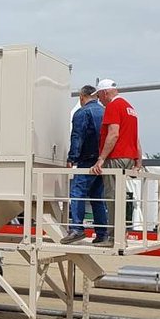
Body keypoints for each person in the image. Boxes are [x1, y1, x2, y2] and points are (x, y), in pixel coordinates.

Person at [89, 79, 143, 245]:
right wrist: (138, 162)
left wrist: (101, 159)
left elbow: (113, 134)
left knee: (112, 197)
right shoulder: (130, 108)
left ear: (105, 92)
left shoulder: (113, 106)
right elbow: (136, 139)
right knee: (120, 197)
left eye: (99, 96)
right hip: (128, 158)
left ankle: (114, 237)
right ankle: (121, 234)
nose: (99, 100)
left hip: (116, 157)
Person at [61, 85, 107, 244]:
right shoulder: (105, 111)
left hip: (87, 160)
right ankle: (102, 233)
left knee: (77, 193)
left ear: (81, 97)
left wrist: (72, 158)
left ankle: (77, 229)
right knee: (97, 197)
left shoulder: (82, 113)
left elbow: (77, 136)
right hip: (102, 161)